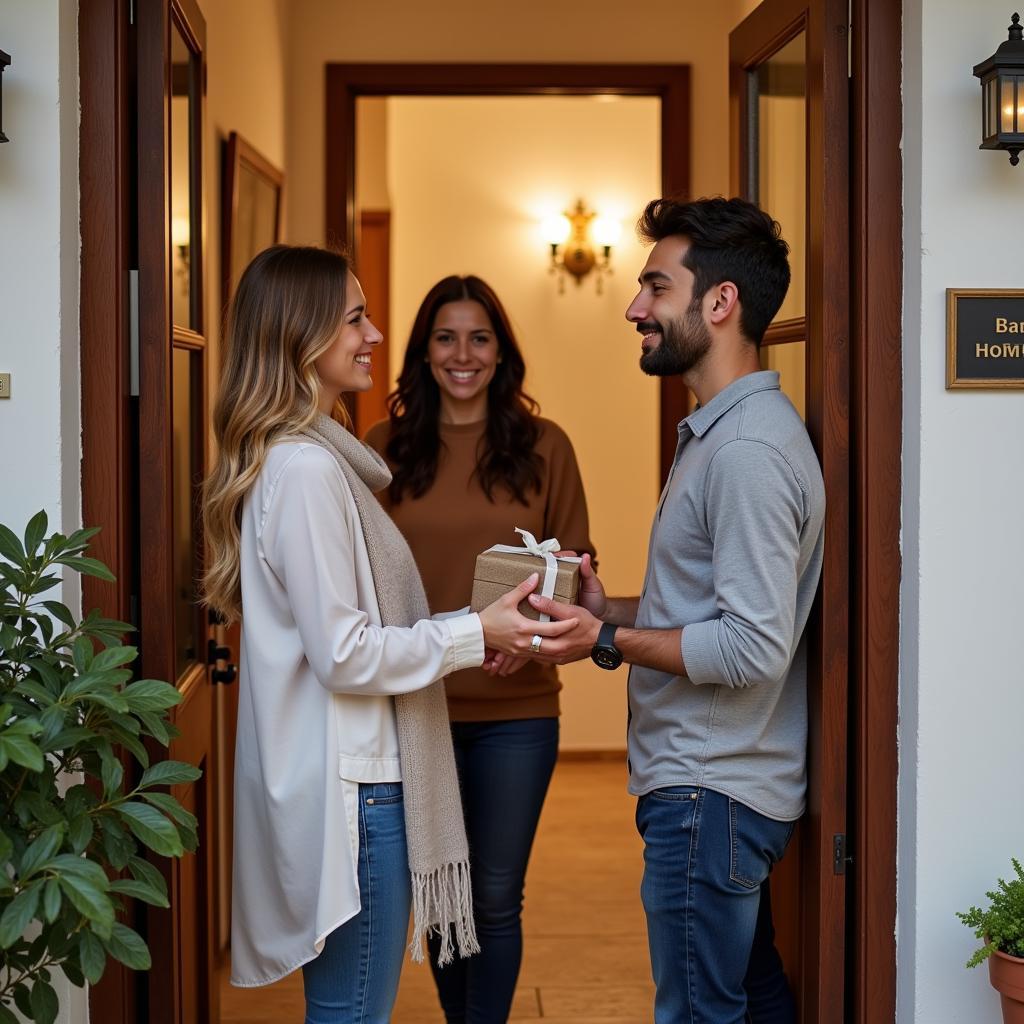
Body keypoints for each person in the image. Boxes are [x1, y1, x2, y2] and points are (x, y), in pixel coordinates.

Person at [200, 246, 575, 1024]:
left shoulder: (320, 460)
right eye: (354, 318)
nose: (372, 334)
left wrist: (486, 627)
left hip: (368, 770)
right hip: (359, 789)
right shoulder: (308, 470)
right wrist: (476, 630)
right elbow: (346, 653)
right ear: (301, 335)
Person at [526, 198, 825, 1024]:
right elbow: (716, 609)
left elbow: (751, 646)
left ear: (719, 303)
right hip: (715, 791)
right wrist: (606, 606)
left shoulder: (747, 453)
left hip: (709, 793)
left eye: (655, 286)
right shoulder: (723, 434)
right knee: (750, 1001)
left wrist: (608, 639)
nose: (634, 308)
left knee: (698, 1014)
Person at [364, 274, 595, 1024]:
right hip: (416, 705)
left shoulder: (545, 446)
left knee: (494, 896)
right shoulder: (382, 449)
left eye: (479, 337)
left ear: (501, 352)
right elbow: (357, 581)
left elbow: (579, 570)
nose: (463, 353)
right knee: (439, 888)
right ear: (423, 353)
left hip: (517, 712)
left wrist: (529, 645)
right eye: (445, 336)